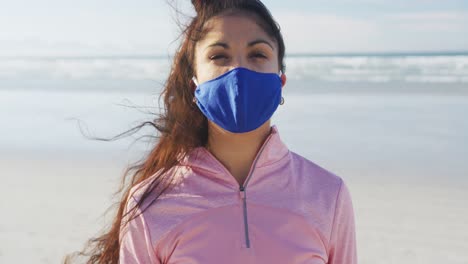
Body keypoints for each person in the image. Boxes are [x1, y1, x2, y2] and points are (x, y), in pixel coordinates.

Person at [68, 0, 357, 263]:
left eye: (258, 54)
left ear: (280, 81)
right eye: (219, 56)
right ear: (195, 85)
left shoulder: (327, 195)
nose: (238, 71)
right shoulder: (150, 203)